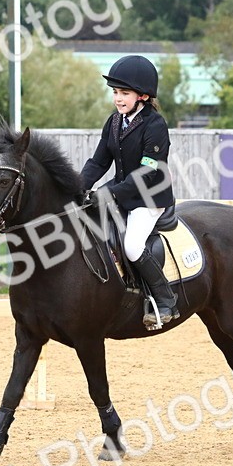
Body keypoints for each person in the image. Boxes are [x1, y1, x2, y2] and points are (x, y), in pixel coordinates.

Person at [79, 55, 178, 327]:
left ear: (143, 96)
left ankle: (165, 298)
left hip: (149, 196)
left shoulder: (155, 125)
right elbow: (99, 161)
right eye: (115, 92)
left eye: (124, 93)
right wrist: (78, 186)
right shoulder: (114, 122)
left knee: (132, 246)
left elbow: (148, 170)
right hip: (121, 190)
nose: (118, 98)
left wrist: (110, 194)